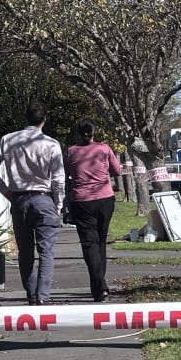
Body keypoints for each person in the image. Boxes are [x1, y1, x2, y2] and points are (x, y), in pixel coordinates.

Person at [0, 101, 65, 306]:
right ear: (44, 120)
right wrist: (59, 202)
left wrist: (6, 190)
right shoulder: (51, 144)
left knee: (25, 251)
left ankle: (31, 295)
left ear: (26, 117)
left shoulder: (8, 140)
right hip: (43, 198)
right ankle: (42, 296)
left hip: (19, 199)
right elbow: (58, 178)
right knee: (46, 251)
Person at [65, 118, 123, 302]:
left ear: (78, 133)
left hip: (82, 200)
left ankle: (99, 286)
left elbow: (66, 173)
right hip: (105, 198)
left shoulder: (70, 152)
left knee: (89, 244)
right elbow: (118, 170)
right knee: (101, 241)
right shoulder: (104, 149)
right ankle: (100, 285)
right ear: (94, 132)